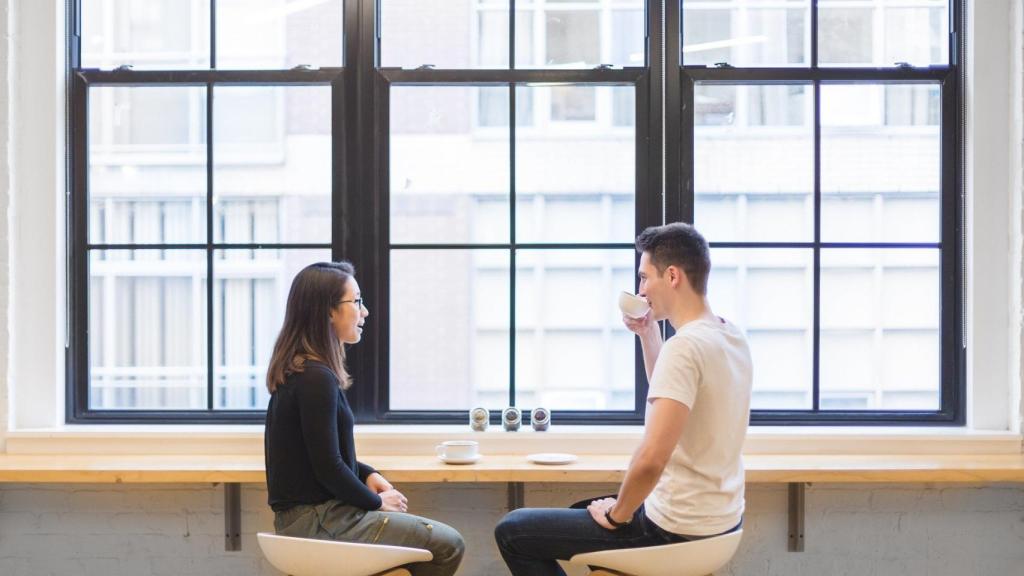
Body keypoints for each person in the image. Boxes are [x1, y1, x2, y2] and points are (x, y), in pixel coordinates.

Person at [494, 223, 752, 576]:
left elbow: (651, 460)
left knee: (514, 530)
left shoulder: (686, 346)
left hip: (673, 530)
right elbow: (675, 394)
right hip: (719, 522)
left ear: (672, 275)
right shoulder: (728, 335)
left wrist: (619, 514)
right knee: (580, 510)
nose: (642, 290)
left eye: (645, 278)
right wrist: (648, 333)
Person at [265, 261, 465, 576]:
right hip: (318, 523)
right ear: (329, 311)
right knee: (448, 544)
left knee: (419, 550)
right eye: (356, 301)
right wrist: (377, 504)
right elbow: (328, 467)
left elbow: (319, 455)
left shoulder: (305, 371)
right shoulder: (316, 379)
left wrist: (367, 474)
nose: (365, 311)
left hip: (312, 519)